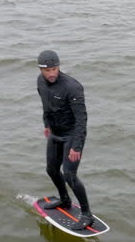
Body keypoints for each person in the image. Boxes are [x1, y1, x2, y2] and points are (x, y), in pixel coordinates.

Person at [36, 49, 94, 227]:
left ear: (59, 67)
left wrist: (76, 146)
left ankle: (86, 214)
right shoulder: (40, 82)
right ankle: (65, 200)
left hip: (71, 136)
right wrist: (46, 124)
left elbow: (81, 120)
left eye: (55, 69)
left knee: (70, 175)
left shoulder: (72, 87)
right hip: (55, 133)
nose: (52, 73)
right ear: (41, 70)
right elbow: (45, 105)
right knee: (51, 169)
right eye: (48, 70)